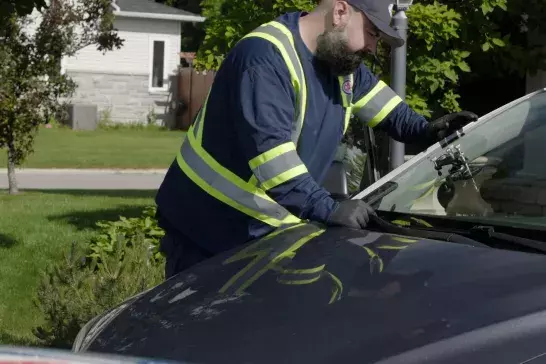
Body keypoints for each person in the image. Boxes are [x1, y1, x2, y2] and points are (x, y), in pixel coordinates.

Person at [155, 0, 479, 279]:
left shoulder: (341, 67)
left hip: (256, 234)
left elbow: (392, 114)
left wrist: (428, 130)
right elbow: (273, 161)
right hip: (205, 232)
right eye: (371, 33)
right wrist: (328, 208)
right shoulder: (265, 57)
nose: (372, 48)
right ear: (340, 12)